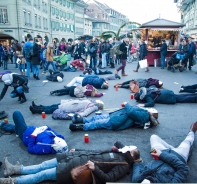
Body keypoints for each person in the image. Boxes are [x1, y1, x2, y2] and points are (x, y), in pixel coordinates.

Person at [0, 141, 137, 184]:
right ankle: (14, 169)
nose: (128, 146)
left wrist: (95, 168)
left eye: (130, 148)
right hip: (72, 157)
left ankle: (12, 181)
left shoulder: (124, 166)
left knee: (42, 175)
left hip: (75, 168)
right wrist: (77, 149)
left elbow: (108, 179)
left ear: (131, 154)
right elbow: (94, 151)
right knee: (43, 165)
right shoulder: (118, 152)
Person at [131, 122, 197, 183]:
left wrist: (135, 156)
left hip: (161, 152)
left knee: (153, 137)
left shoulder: (137, 179)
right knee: (187, 141)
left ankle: (172, 149)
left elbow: (137, 161)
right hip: (179, 156)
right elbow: (184, 168)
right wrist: (161, 154)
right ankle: (192, 132)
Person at [0, 111, 68, 155]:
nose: (58, 138)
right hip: (32, 129)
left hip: (25, 134)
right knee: (16, 128)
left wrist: (34, 134)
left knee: (17, 114)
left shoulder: (45, 147)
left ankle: (6, 126)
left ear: (55, 146)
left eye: (58, 140)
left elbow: (30, 149)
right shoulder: (58, 138)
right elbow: (53, 132)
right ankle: (4, 125)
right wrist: (46, 127)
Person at [69, 102, 159, 131]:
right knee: (97, 118)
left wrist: (127, 104)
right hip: (117, 116)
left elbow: (132, 113)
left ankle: (81, 127)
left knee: (97, 123)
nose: (152, 109)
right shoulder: (145, 113)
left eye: (153, 110)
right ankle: (82, 120)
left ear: (153, 114)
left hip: (118, 121)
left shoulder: (145, 116)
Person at [29, 99, 104, 120]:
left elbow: (85, 113)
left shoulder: (93, 106)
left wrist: (78, 115)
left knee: (51, 109)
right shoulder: (91, 102)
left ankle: (35, 110)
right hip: (70, 103)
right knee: (52, 106)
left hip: (71, 107)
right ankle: (37, 107)